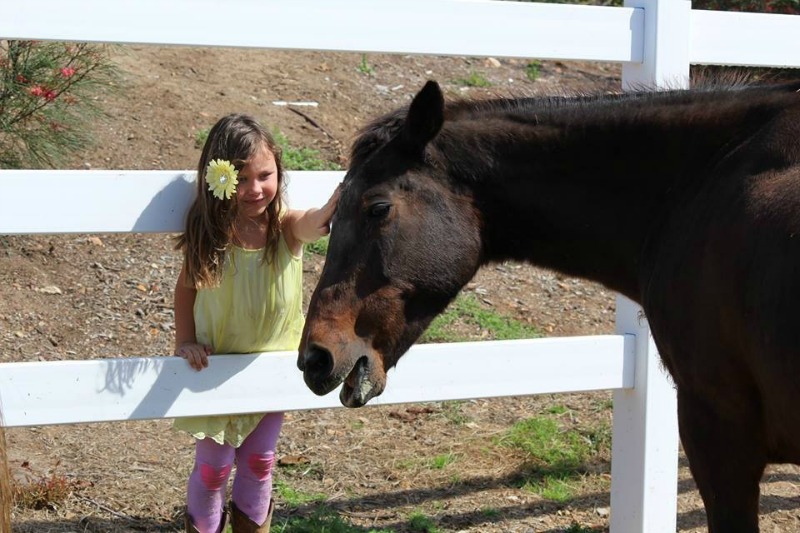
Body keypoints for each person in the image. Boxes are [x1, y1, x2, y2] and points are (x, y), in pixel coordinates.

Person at [172, 113, 339, 533]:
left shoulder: (283, 227)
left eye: (265, 175)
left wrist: (339, 201)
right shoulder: (208, 232)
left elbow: (313, 224)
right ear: (218, 178)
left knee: (261, 461)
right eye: (240, 178)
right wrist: (186, 340)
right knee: (214, 468)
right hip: (214, 368)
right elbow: (186, 290)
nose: (254, 189)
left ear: (279, 172)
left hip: (271, 366)